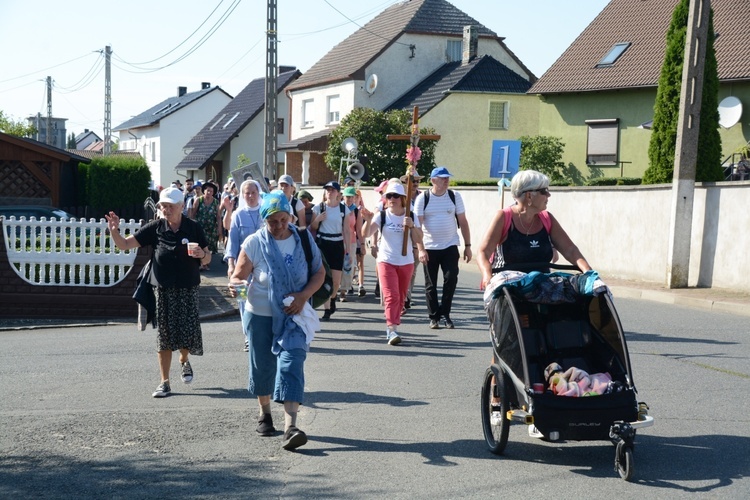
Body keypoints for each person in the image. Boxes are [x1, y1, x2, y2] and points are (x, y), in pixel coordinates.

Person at [229, 190, 325, 451]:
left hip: (293, 315)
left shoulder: (303, 240)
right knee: (263, 367)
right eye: (273, 222)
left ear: (290, 217)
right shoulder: (254, 243)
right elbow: (237, 278)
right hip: (259, 315)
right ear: (264, 221)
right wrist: (238, 289)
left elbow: (319, 273)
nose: (280, 226)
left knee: (292, 362)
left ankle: (291, 427)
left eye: (283, 220)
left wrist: (303, 296)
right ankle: (265, 413)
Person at [105, 187, 212, 398]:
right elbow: (125, 245)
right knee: (164, 335)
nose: (166, 209)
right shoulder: (155, 227)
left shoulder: (193, 228)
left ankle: (184, 359)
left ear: (182, 207)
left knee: (186, 332)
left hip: (188, 287)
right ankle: (164, 382)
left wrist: (201, 254)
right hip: (162, 289)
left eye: (171, 206)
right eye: (163, 205)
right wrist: (114, 230)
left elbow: (207, 257)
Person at [476, 169, 592, 285]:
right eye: (544, 191)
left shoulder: (547, 219)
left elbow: (570, 250)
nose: (549, 195)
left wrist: (588, 272)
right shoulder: (504, 217)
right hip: (509, 289)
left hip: (541, 289)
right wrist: (487, 275)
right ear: (529, 195)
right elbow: (484, 252)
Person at [361, 183, 422, 345]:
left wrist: (412, 226)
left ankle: (394, 322)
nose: (392, 199)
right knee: (391, 296)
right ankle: (391, 330)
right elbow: (366, 234)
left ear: (402, 199)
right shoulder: (381, 216)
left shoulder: (411, 215)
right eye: (389, 196)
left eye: (395, 196)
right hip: (386, 260)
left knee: (401, 298)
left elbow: (419, 239)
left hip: (406, 261)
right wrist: (367, 221)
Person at [414, 167, 472, 330]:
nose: (446, 180)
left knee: (451, 279)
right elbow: (417, 226)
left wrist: (468, 246)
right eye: (442, 178)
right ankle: (434, 317)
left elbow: (463, 221)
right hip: (430, 247)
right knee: (431, 284)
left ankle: (445, 314)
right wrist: (421, 249)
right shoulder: (423, 198)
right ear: (433, 180)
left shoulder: (454, 196)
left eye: (447, 178)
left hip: (450, 245)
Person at [224, 180, 264, 351]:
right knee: (243, 301)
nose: (250, 196)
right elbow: (232, 242)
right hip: (243, 266)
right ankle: (248, 336)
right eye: (246, 193)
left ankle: (262, 334)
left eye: (253, 193)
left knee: (262, 299)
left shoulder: (265, 212)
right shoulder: (238, 215)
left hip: (263, 265)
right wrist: (231, 264)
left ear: (258, 193)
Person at [310, 181, 350, 320]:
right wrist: (318, 219)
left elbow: (346, 230)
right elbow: (313, 227)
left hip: (337, 243)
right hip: (322, 243)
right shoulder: (319, 207)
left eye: (333, 190)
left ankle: (333, 299)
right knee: (325, 277)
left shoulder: (344, 209)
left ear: (338, 193)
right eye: (328, 190)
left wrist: (348, 251)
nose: (330, 192)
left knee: (336, 280)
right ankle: (327, 309)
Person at [189, 180, 222, 270]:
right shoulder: (198, 200)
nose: (209, 192)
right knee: (200, 244)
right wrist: (191, 226)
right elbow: (193, 214)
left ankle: (206, 263)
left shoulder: (215, 202)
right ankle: (201, 263)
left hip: (211, 228)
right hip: (200, 227)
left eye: (211, 191)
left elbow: (218, 217)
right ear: (204, 191)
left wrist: (219, 229)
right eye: (208, 190)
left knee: (209, 246)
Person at [339, 186, 362, 301]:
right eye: (347, 197)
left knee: (348, 266)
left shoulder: (356, 211)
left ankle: (343, 291)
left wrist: (362, 244)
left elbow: (358, 230)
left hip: (351, 242)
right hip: (337, 240)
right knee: (336, 265)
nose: (349, 199)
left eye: (351, 197)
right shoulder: (338, 208)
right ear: (343, 196)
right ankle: (334, 288)